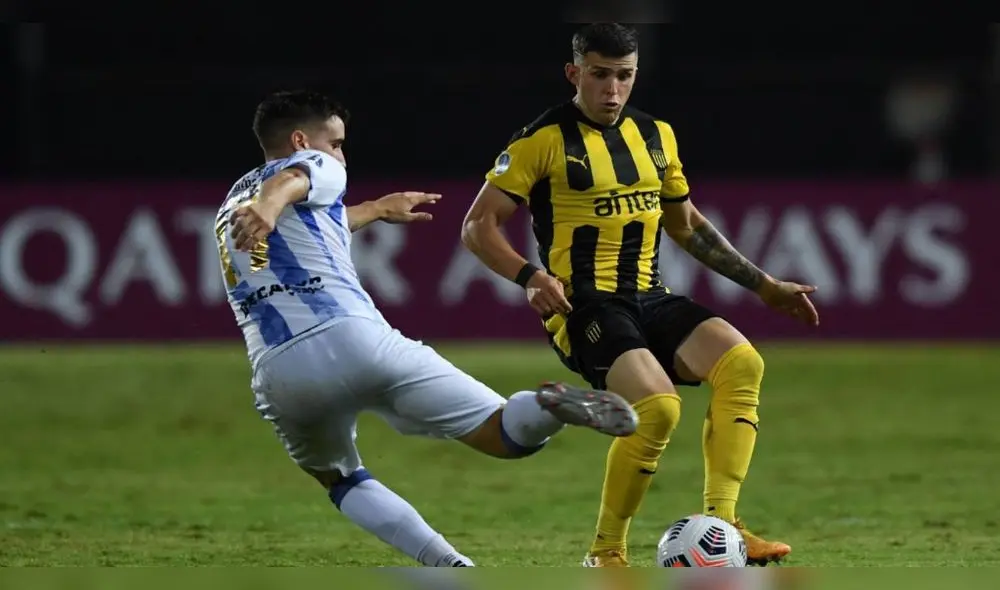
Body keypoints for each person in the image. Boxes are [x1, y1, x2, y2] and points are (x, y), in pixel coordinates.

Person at [218, 89, 639, 567]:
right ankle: (548, 406)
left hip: (281, 373)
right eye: (335, 142)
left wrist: (375, 209)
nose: (339, 154)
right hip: (355, 339)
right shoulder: (312, 168)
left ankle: (447, 564)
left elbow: (312, 216)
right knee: (505, 435)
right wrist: (271, 207)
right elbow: (292, 182)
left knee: (340, 480)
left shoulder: (231, 205)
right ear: (301, 140)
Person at [460, 24, 819, 567]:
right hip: (585, 308)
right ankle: (605, 553)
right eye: (600, 75)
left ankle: (723, 525)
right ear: (574, 73)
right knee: (658, 409)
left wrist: (764, 285)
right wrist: (530, 277)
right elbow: (478, 225)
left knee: (741, 363)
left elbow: (688, 226)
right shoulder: (541, 141)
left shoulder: (656, 136)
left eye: (623, 76)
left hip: (650, 295)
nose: (611, 89)